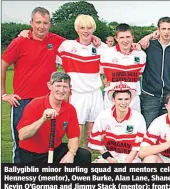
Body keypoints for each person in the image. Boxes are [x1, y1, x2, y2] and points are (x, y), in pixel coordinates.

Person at [1, 7, 66, 163]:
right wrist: (3, 94)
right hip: (22, 101)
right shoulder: (19, 41)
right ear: (31, 23)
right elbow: (2, 65)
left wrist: (94, 39)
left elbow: (79, 44)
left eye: (45, 23)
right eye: (38, 22)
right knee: (22, 144)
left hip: (46, 101)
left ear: (50, 24)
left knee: (45, 145)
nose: (41, 26)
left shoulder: (56, 40)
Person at [55, 14, 107, 150]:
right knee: (75, 134)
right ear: (77, 29)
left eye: (89, 28)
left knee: (91, 135)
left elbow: (122, 52)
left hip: (95, 94)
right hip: (77, 94)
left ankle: (86, 164)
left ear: (93, 29)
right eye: (82, 27)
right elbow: (48, 50)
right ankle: (74, 163)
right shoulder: (67, 46)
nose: (86, 31)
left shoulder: (101, 48)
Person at [17, 72, 91, 164]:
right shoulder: (35, 105)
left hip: (55, 149)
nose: (61, 90)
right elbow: (22, 136)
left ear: (69, 89)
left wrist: (71, 153)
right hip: (32, 154)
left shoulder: (70, 109)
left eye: (65, 86)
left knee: (84, 155)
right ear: (50, 86)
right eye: (58, 85)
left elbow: (73, 137)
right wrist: (42, 119)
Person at [138, 17, 170, 127]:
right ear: (158, 29)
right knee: (149, 129)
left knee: (167, 129)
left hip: (169, 96)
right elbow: (133, 48)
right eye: (163, 29)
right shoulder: (148, 46)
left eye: (169, 29)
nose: (166, 32)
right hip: (149, 95)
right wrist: (148, 36)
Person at [88, 82, 146, 163]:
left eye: (126, 99)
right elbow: (95, 139)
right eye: (120, 99)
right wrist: (108, 158)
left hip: (131, 158)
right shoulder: (103, 116)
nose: (123, 102)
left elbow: (138, 144)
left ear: (130, 100)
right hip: (109, 157)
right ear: (113, 100)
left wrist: (127, 161)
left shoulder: (138, 118)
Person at [99, 23, 146, 112]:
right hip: (111, 99)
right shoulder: (106, 53)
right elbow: (101, 73)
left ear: (132, 37)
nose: (125, 40)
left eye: (128, 37)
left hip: (133, 99)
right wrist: (105, 78)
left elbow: (139, 74)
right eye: (121, 37)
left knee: (133, 124)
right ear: (116, 38)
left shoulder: (141, 55)